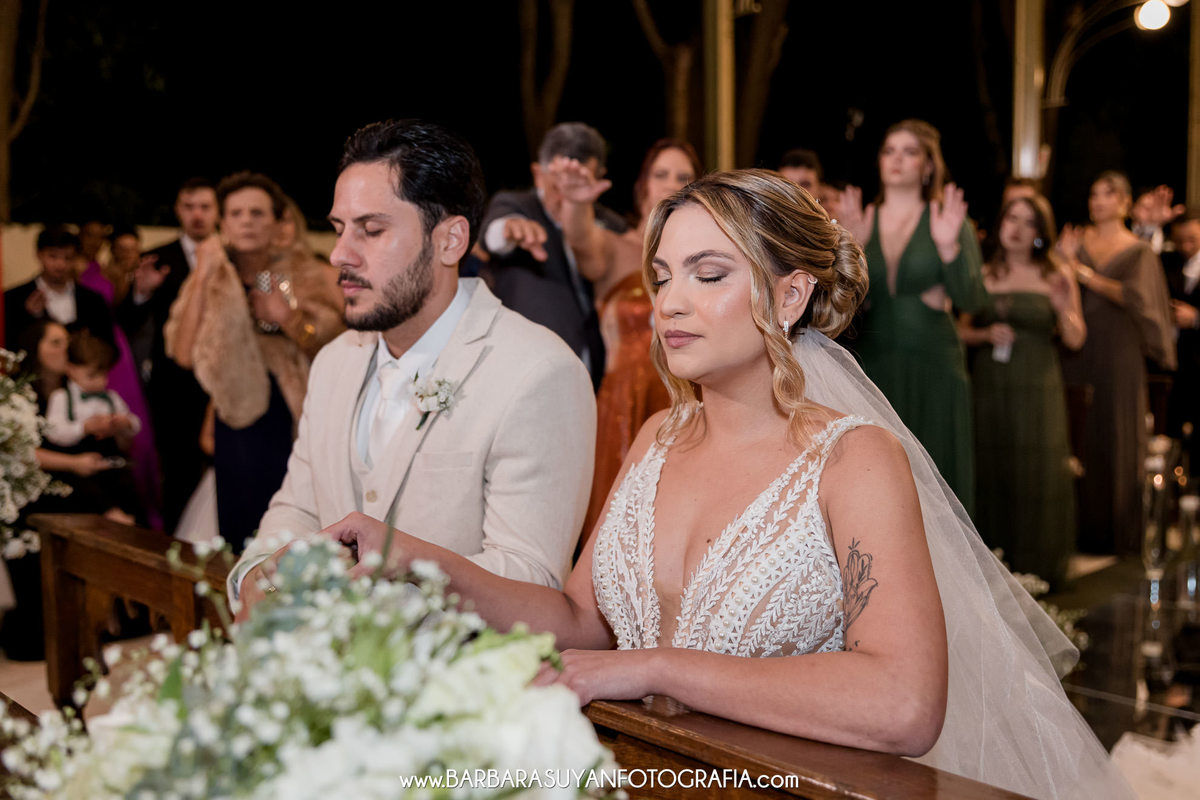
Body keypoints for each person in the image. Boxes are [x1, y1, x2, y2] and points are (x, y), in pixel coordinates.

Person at [317, 170, 1128, 799]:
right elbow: (579, 621)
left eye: (708, 275)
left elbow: (904, 703)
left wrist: (655, 667)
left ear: (790, 293)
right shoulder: (655, 439)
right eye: (663, 276)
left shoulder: (855, 458)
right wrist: (413, 559)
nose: (670, 303)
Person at [229, 119, 596, 617]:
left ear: (450, 240)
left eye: (371, 230)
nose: (339, 255)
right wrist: (258, 574)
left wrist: (353, 611)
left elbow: (528, 577)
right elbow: (298, 508)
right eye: (339, 229)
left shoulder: (539, 372)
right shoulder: (334, 361)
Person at [165, 172, 344, 551]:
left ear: (278, 223)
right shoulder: (215, 275)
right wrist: (203, 274)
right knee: (238, 533)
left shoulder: (308, 274)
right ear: (223, 222)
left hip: (293, 416)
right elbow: (182, 352)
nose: (246, 221)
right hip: (235, 417)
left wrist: (289, 319)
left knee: (288, 533)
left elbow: (339, 352)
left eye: (258, 213)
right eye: (236, 213)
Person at [549, 138, 702, 535]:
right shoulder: (618, 249)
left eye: (683, 176)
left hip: (688, 394)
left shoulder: (706, 259)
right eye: (661, 174)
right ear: (642, 186)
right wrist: (577, 203)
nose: (672, 184)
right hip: (624, 401)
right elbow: (582, 240)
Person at [840, 119, 986, 514]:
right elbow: (840, 307)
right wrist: (850, 248)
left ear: (928, 165)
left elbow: (973, 300)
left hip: (934, 361)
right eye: (889, 151)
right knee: (879, 475)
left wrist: (949, 248)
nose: (897, 159)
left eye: (909, 152)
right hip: (875, 363)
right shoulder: (861, 220)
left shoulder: (947, 219)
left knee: (937, 476)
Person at [958, 195, 1085, 588]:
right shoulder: (983, 273)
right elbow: (959, 330)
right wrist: (984, 334)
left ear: (1040, 234)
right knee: (993, 465)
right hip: (991, 385)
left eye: (1029, 223)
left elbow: (1076, 338)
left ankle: (1040, 569)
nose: (1017, 228)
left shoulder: (1056, 273)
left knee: (1039, 469)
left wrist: (1063, 307)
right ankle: (995, 564)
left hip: (1038, 384)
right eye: (1012, 217)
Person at [1059, 171, 1176, 555]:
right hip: (1077, 346)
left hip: (1120, 348)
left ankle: (1118, 531)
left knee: (1118, 427)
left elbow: (1137, 297)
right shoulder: (1077, 241)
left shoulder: (1137, 249)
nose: (1098, 201)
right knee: (1078, 427)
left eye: (1108, 194)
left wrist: (1083, 273)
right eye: (1094, 194)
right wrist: (1063, 263)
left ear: (1125, 203)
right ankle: (1076, 528)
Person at [479, 122, 627, 387]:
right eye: (558, 187)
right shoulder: (516, 205)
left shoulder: (611, 224)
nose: (566, 197)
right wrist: (510, 229)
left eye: (579, 184)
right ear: (538, 174)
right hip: (529, 369)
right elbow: (492, 235)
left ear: (599, 177)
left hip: (600, 374)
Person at [117, 178, 217, 533]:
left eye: (204, 207)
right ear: (177, 210)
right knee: (178, 473)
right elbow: (126, 324)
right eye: (189, 207)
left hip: (223, 381)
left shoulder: (234, 256)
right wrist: (141, 293)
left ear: (216, 211)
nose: (197, 215)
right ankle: (176, 545)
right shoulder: (159, 258)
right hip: (174, 387)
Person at [77, 224, 160, 527]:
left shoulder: (117, 275)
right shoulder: (88, 271)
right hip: (98, 346)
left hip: (119, 347)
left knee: (135, 421)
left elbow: (126, 310)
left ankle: (145, 502)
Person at [43, 331, 144, 524]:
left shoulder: (111, 397)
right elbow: (54, 433)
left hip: (109, 457)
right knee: (86, 487)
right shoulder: (61, 398)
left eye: (104, 374)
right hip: (78, 461)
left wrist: (123, 423)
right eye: (92, 375)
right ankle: (110, 512)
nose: (100, 381)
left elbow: (135, 425)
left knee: (125, 483)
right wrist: (84, 428)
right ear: (71, 369)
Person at [4, 226, 115, 351]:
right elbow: (8, 347)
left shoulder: (93, 300)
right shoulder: (13, 298)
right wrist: (30, 316)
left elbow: (109, 348)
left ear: (76, 258)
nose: (60, 265)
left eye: (68, 258)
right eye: (53, 256)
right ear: (39, 255)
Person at [1164, 214, 1200, 452]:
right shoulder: (1169, 262)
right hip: (1175, 363)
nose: (1186, 246)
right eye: (1180, 241)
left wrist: (1196, 318)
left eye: (1192, 239)